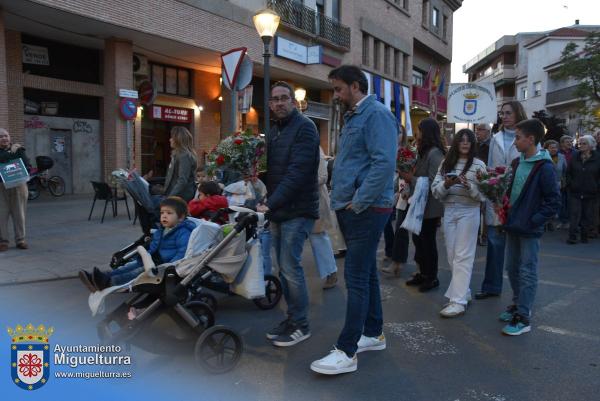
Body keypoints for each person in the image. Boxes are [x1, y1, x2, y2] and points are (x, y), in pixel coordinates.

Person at [310, 65, 397, 375]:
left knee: (357, 278)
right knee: (367, 273)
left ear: (356, 86)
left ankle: (347, 351)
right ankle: (373, 334)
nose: (335, 95)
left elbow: (384, 163)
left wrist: (357, 203)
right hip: (357, 207)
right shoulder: (356, 115)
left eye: (338, 89)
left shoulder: (375, 115)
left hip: (367, 209)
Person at [257, 81, 320, 348]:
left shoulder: (305, 128)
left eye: (284, 98)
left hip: (299, 209)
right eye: (275, 99)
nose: (280, 103)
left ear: (293, 102)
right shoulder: (274, 132)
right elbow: (271, 171)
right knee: (284, 269)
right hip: (279, 209)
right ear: (270, 105)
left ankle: (301, 325)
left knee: (291, 268)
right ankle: (292, 318)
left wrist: (270, 203)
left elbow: (297, 173)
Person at [499, 119, 560, 335]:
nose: (515, 142)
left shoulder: (545, 167)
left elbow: (553, 201)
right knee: (512, 269)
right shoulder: (517, 163)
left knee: (527, 271)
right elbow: (511, 192)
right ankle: (517, 303)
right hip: (513, 225)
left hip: (529, 228)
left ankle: (523, 317)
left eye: (517, 137)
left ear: (531, 139)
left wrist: (534, 220)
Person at [79, 196, 195, 291]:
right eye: (162, 213)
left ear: (180, 217)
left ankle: (109, 282)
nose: (164, 216)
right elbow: (154, 247)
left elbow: (182, 253)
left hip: (162, 266)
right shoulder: (162, 230)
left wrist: (169, 267)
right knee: (128, 266)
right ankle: (101, 277)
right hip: (152, 260)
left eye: (169, 213)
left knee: (136, 273)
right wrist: (145, 255)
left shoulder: (182, 232)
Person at [432, 129, 487, 317]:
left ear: (473, 144)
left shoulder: (479, 165)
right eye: (461, 140)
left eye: (468, 140)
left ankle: (458, 301)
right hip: (449, 211)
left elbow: (483, 196)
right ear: (456, 143)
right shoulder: (446, 163)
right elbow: (435, 191)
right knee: (452, 255)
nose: (465, 143)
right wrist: (446, 185)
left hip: (469, 212)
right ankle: (464, 292)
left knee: (463, 256)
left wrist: (469, 186)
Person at [475, 101, 526, 300]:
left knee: (518, 251)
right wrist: (487, 195)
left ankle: (519, 295)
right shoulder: (494, 138)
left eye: (508, 113)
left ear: (518, 114)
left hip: (517, 199)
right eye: (501, 113)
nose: (504, 116)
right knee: (495, 245)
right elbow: (488, 169)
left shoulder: (529, 137)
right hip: (496, 200)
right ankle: (491, 286)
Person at [403, 118, 446, 292]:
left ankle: (431, 276)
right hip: (420, 203)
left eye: (419, 130)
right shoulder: (423, 150)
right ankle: (422, 272)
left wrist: (410, 179)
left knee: (427, 242)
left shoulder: (435, 153)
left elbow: (433, 180)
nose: (416, 133)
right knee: (418, 240)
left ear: (426, 132)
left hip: (429, 206)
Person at [381, 127, 410, 277]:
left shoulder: (406, 152)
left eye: (399, 132)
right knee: (386, 224)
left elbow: (406, 173)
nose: (396, 134)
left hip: (400, 191)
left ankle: (397, 259)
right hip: (386, 187)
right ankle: (390, 252)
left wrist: (400, 191)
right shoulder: (386, 147)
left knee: (400, 227)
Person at [309, 147, 338, 290]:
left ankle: (331, 272)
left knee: (318, 238)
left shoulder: (315, 150)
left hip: (316, 201)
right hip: (299, 200)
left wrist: (299, 182)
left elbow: (322, 176)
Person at [565, 135, 600, 244]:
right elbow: (568, 173)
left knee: (587, 214)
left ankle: (584, 235)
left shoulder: (598, 158)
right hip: (575, 190)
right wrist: (571, 184)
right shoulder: (575, 156)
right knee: (574, 214)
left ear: (591, 145)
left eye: (584, 143)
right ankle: (572, 236)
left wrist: (596, 186)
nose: (581, 145)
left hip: (591, 191)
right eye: (580, 143)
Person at [0, 128, 30, 251]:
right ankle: (3, 241)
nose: (4, 138)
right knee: (1, 215)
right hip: (1, 188)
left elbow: (25, 163)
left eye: (6, 135)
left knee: (20, 214)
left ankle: (21, 240)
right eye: (1, 136)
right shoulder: (14, 150)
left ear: (10, 137)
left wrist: (12, 154)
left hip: (18, 186)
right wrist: (11, 155)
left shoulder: (19, 149)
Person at [163, 126, 198, 202]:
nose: (170, 140)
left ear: (178, 140)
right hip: (176, 194)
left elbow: (182, 180)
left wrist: (170, 197)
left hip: (181, 196)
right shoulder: (177, 154)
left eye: (172, 138)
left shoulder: (184, 156)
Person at [543, 140, 567, 230]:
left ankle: (551, 221)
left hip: (558, 184)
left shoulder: (561, 157)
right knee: (546, 203)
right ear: (547, 148)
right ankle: (545, 221)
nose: (554, 149)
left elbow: (565, 171)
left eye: (555, 147)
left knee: (555, 203)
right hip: (545, 184)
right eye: (551, 147)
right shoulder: (543, 157)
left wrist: (563, 181)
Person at [475, 123, 492, 245]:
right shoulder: (475, 145)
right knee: (476, 208)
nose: (477, 132)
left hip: (488, 179)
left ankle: (485, 236)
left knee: (486, 209)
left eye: (480, 130)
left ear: (488, 131)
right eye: (476, 130)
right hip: (475, 179)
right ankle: (475, 235)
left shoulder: (492, 145)